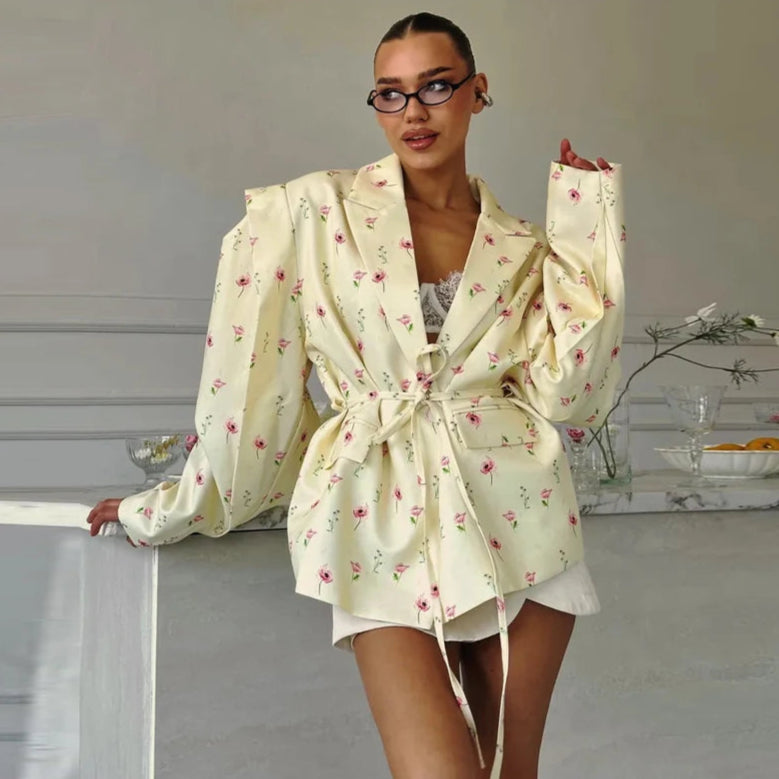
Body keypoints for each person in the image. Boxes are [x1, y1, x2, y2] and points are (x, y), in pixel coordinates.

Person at [87, 11, 625, 779]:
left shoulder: (524, 243)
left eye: (436, 86)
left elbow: (571, 393)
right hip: (376, 518)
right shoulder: (310, 213)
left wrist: (585, 226)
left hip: (521, 516)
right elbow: (251, 388)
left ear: (477, 93)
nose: (413, 111)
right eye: (390, 93)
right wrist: (172, 504)